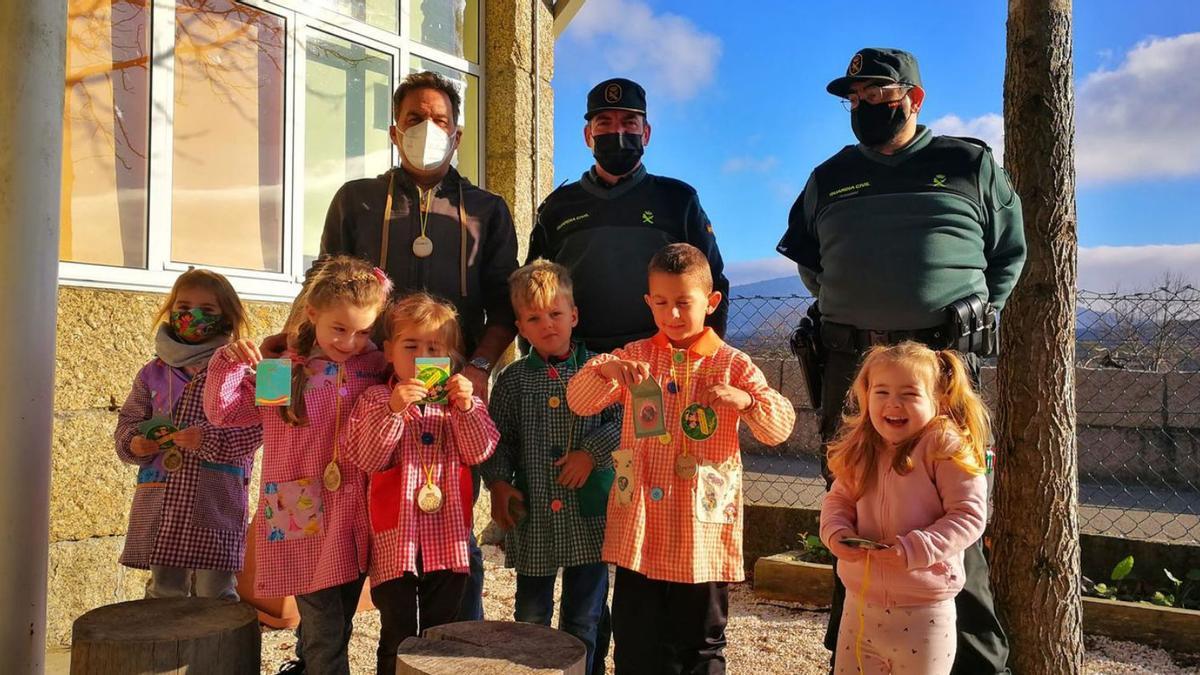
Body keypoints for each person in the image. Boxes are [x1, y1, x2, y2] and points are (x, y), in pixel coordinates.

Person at [776, 47, 1026, 674]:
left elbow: (1009, 254)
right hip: (853, 368)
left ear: (913, 99)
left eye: (877, 96)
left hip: (941, 370)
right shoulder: (829, 176)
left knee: (952, 514)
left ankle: (973, 663)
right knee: (854, 506)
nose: (863, 107)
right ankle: (855, 657)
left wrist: (972, 319)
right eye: (854, 98)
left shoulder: (968, 164)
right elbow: (811, 261)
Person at [319, 69, 515, 629]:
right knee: (368, 513)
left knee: (453, 513)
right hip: (369, 386)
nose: (426, 128)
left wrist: (477, 368)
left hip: (453, 390)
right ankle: (360, 642)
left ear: (457, 135)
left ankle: (458, 642)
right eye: (414, 119)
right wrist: (297, 341)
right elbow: (325, 286)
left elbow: (504, 306)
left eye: (440, 121)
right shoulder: (355, 200)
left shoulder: (487, 209)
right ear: (392, 129)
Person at [567, 243, 795, 673]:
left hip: (700, 534)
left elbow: (779, 427)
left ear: (710, 303)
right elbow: (579, 401)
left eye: (683, 303)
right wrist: (605, 370)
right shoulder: (634, 357)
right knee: (635, 642)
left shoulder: (732, 364)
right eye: (662, 303)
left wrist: (746, 400)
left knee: (701, 645)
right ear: (648, 302)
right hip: (643, 532)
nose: (672, 315)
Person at [204, 255, 391, 675]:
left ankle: (306, 667)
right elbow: (225, 414)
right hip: (302, 511)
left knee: (335, 623)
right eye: (339, 329)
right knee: (325, 629)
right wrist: (229, 362)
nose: (349, 342)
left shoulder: (376, 366)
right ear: (312, 314)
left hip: (355, 516)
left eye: (364, 331)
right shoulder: (283, 371)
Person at [346, 292, 499, 675]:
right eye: (410, 345)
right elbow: (366, 458)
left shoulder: (460, 403)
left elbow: (480, 451)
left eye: (433, 347)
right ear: (389, 352)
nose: (420, 356)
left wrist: (466, 407)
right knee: (396, 633)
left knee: (440, 632)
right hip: (394, 542)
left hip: (446, 541)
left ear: (451, 357)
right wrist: (394, 411)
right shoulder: (376, 399)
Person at [481, 260, 621, 675]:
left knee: (585, 617)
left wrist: (590, 453)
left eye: (556, 314)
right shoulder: (513, 380)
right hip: (535, 514)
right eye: (534, 318)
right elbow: (498, 441)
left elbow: (624, 425)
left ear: (573, 315)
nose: (548, 325)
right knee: (531, 615)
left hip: (588, 517)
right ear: (521, 327)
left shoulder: (601, 371)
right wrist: (498, 485)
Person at [820, 342, 989, 675]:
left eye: (909, 394)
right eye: (881, 392)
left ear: (938, 399)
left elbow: (968, 515)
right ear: (866, 397)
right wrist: (835, 532)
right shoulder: (862, 445)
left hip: (924, 610)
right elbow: (838, 499)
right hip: (861, 606)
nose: (892, 403)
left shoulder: (945, 446)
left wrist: (915, 548)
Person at [528, 78, 730, 353]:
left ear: (646, 133)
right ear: (588, 135)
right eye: (605, 123)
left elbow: (713, 280)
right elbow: (533, 292)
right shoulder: (557, 207)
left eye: (629, 122)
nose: (617, 132)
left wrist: (707, 359)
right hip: (577, 364)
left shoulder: (678, 200)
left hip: (663, 363)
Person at [115, 268, 263, 600]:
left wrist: (206, 440)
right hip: (161, 497)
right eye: (182, 307)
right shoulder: (152, 373)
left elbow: (253, 433)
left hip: (214, 499)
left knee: (216, 591)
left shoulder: (242, 372)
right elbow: (128, 421)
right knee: (163, 589)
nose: (191, 316)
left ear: (226, 317)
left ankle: (218, 653)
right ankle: (162, 651)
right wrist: (135, 442)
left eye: (207, 310)